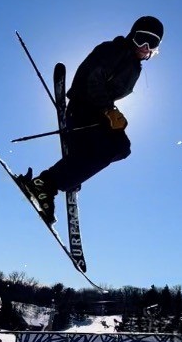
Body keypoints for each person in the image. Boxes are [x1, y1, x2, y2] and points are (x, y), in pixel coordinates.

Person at [18, 16, 164, 224]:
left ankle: (68, 173)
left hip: (96, 113)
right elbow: (92, 78)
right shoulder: (115, 51)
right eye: (141, 39)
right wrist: (107, 109)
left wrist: (114, 113)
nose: (145, 46)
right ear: (132, 36)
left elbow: (107, 89)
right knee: (115, 147)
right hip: (84, 108)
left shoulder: (134, 66)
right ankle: (46, 183)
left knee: (121, 148)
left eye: (152, 43)